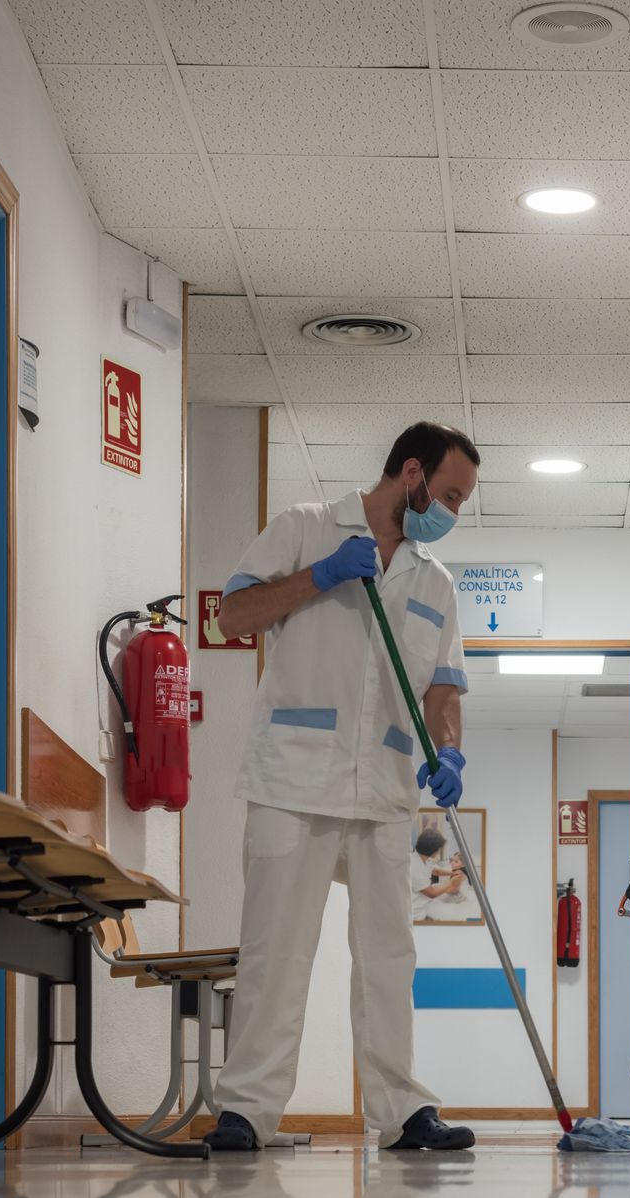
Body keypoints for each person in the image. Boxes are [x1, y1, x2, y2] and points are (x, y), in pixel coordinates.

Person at [202, 421, 480, 1153]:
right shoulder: (305, 529)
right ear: (411, 473)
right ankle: (247, 1110)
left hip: (387, 787)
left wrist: (450, 753)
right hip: (294, 774)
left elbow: (443, 689)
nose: (453, 512)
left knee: (389, 957)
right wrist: (320, 576)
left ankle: (401, 1111)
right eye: (449, 494)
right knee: (276, 951)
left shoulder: (434, 582)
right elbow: (231, 614)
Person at [410, 828, 466, 920]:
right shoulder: (415, 868)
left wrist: (452, 872)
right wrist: (451, 882)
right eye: (440, 849)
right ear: (434, 850)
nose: (440, 851)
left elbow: (433, 870)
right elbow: (432, 893)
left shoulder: (423, 858)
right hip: (415, 914)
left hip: (425, 903)